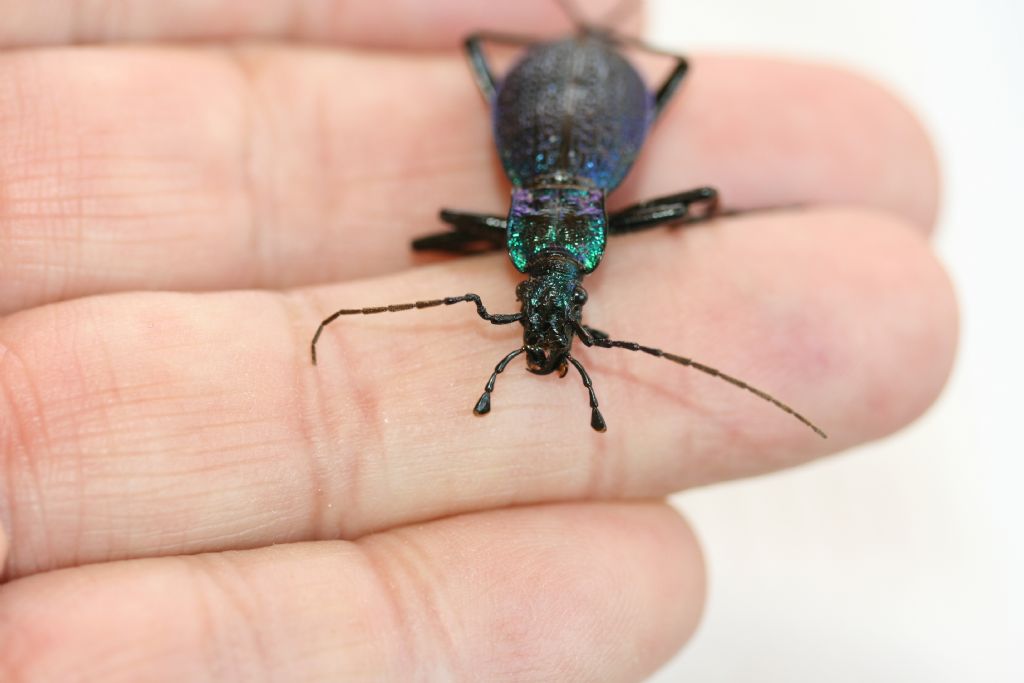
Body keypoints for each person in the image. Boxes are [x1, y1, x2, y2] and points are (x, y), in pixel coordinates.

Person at [0, 1, 955, 680]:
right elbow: (661, 207)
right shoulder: (558, 235)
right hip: (582, 109)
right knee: (647, 161)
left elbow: (451, 230)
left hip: (559, 104)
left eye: (549, 287)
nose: (549, 299)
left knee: (509, 101)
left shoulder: (539, 227)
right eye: (558, 290)